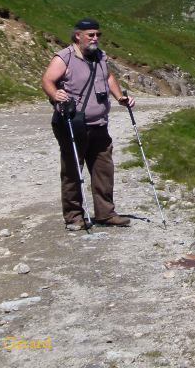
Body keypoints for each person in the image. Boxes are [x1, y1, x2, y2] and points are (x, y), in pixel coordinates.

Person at [41, 18, 136, 230]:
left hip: (99, 123)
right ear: (78, 35)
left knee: (104, 169)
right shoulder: (64, 57)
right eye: (91, 34)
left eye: (97, 34)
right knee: (73, 169)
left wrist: (120, 97)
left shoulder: (100, 56)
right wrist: (55, 94)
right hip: (73, 123)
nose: (95, 38)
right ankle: (74, 216)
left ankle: (106, 214)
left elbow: (108, 77)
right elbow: (47, 79)